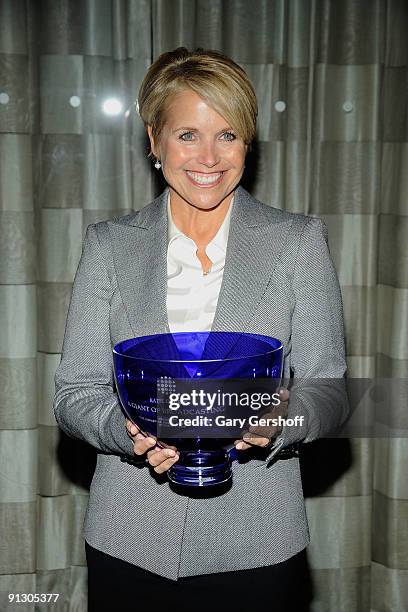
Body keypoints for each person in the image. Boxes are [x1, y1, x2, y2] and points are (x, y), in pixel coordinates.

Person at [53, 47, 348, 610]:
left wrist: (281, 423)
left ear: (248, 143)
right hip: (129, 537)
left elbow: (329, 391)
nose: (209, 157)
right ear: (153, 139)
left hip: (258, 541)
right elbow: (74, 394)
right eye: (188, 134)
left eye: (228, 135)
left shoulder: (297, 243)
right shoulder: (110, 247)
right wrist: (128, 433)